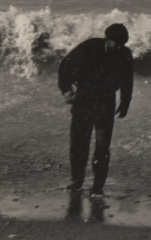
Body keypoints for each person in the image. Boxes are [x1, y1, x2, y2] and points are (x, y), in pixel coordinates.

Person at [57, 23, 134, 198]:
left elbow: (128, 80)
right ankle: (77, 182)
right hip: (84, 99)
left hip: (106, 101)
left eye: (123, 44)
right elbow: (65, 66)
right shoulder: (89, 47)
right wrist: (66, 90)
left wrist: (125, 103)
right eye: (117, 43)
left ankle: (98, 188)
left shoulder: (124, 54)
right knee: (78, 144)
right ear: (107, 39)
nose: (120, 48)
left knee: (102, 147)